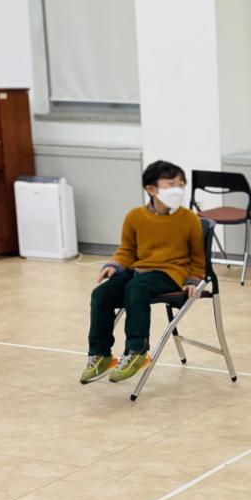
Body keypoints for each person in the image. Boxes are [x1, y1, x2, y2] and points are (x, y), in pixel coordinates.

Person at [81, 160, 205, 386]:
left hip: (171, 273)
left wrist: (193, 280)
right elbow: (127, 250)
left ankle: (137, 350)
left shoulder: (189, 219)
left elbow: (198, 258)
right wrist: (115, 265)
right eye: (171, 184)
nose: (178, 189)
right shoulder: (135, 217)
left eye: (181, 184)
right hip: (139, 270)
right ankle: (100, 354)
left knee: (136, 288)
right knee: (101, 294)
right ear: (151, 189)